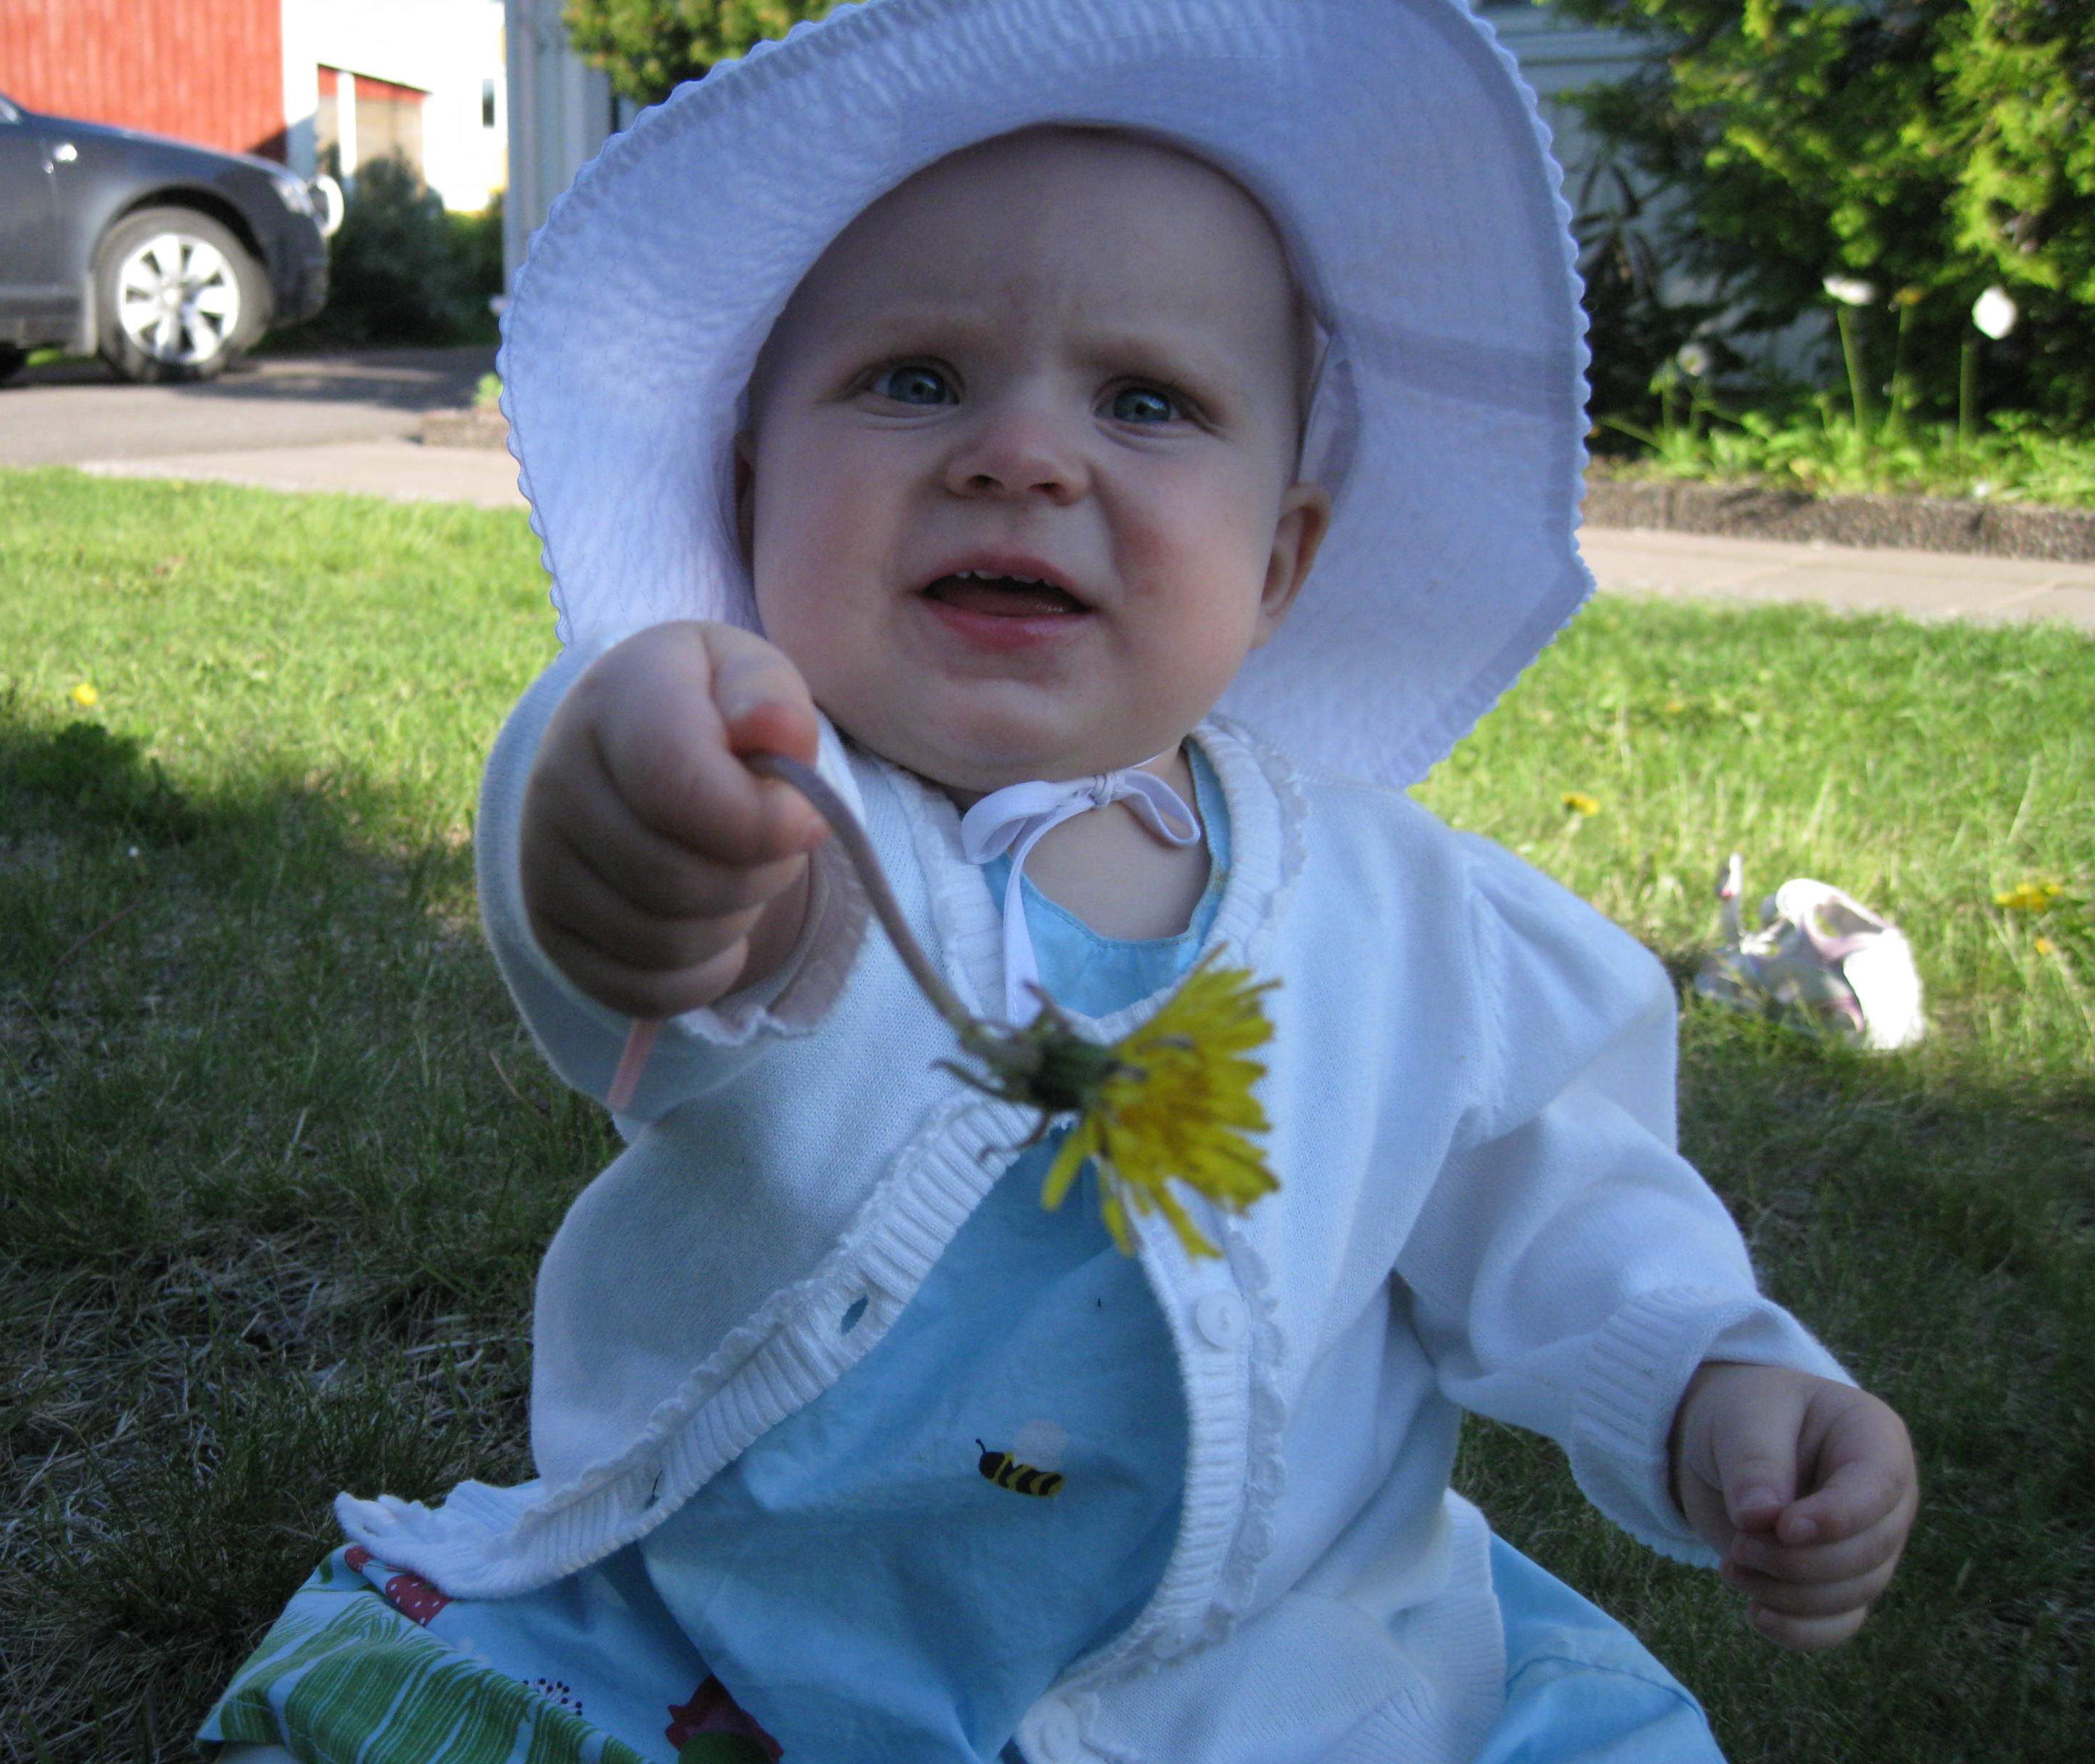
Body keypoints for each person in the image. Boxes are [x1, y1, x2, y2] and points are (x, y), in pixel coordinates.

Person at [203, 4, 1916, 1760]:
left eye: (1146, 402)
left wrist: (1712, 1374)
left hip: (1270, 1673)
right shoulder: (797, 821)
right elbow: (675, 926)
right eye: (915, 379)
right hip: (765, 1638)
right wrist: (626, 805)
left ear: (1278, 562)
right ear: (751, 482)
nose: (1021, 453)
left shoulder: (1412, 924)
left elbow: (1559, 1208)